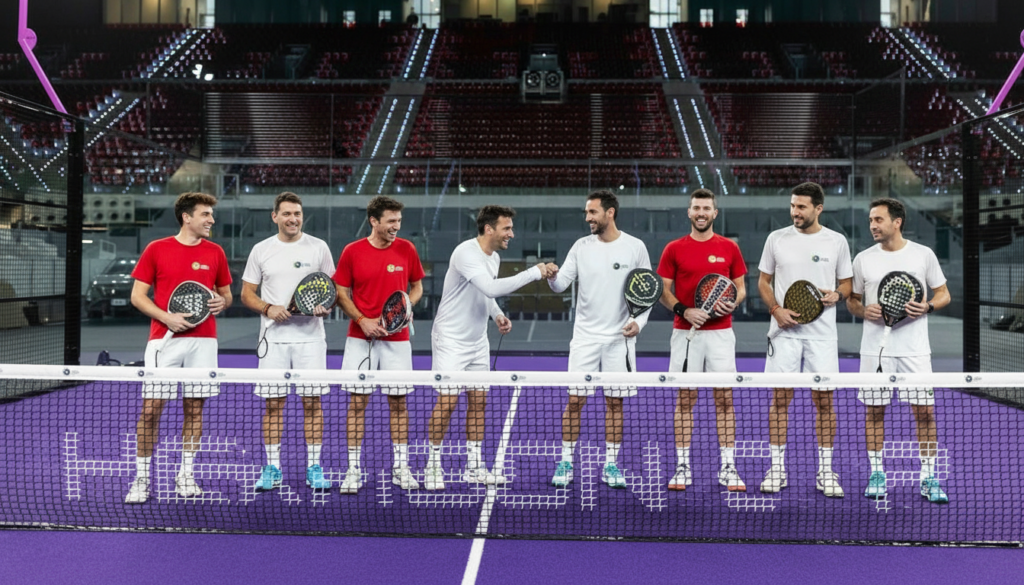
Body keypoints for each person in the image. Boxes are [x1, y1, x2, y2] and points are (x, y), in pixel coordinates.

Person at [424, 205, 554, 491]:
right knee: (447, 403)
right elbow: (493, 288)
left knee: (478, 402)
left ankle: (474, 467)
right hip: (450, 340)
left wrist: (496, 314)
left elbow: (487, 292)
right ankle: (432, 466)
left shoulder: (493, 257)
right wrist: (534, 272)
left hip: (477, 341)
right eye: (506, 228)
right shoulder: (466, 253)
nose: (512, 233)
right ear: (488, 229)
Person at [125, 192, 232, 504]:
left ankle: (185, 475)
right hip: (164, 341)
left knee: (194, 408)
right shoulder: (157, 249)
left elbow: (226, 295)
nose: (211, 220)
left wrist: (220, 302)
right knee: (150, 410)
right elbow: (138, 296)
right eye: (205, 215)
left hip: (204, 341)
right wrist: (166, 317)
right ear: (187, 217)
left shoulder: (215, 252)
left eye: (211, 215)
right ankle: (142, 478)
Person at [846, 198, 951, 503]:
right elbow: (851, 300)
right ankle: (877, 473)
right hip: (875, 351)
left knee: (926, 414)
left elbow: (943, 293)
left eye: (878, 220)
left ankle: (929, 477)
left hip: (914, 351)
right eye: (870, 220)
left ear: (897, 221)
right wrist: (864, 310)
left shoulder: (923, 255)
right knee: (875, 412)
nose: (872, 226)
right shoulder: (863, 258)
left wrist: (928, 305)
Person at [547, 190, 652, 490]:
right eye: (586, 213)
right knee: (575, 401)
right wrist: (552, 276)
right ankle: (566, 461)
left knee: (614, 403)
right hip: (585, 339)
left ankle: (611, 464)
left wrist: (639, 323)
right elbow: (561, 284)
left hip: (620, 340)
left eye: (592, 212)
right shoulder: (581, 246)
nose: (587, 218)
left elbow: (647, 292)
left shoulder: (635, 247)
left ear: (610, 213)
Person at [758, 182, 852, 498]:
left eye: (801, 207)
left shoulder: (837, 241)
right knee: (780, 400)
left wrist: (839, 294)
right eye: (793, 206)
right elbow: (764, 281)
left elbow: (847, 284)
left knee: (824, 401)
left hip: (822, 336)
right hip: (784, 334)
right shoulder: (777, 239)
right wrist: (775, 309)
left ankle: (826, 471)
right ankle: (777, 469)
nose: (795, 212)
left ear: (818, 209)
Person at [241, 192, 334, 493]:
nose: (293, 219)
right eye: (286, 214)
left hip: (310, 340)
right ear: (275, 216)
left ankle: (314, 467)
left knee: (312, 404)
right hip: (274, 341)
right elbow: (247, 294)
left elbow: (330, 291)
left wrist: (324, 307)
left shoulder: (319, 247)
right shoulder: (261, 250)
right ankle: (272, 469)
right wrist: (268, 308)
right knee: (273, 406)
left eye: (297, 213)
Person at [657, 189, 748, 492]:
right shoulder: (673, 249)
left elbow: (740, 288)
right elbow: (664, 291)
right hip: (685, 334)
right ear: (689, 212)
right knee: (685, 400)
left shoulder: (729, 248)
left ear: (714, 213)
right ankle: (682, 466)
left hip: (721, 335)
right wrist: (685, 310)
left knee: (724, 400)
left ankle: (728, 466)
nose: (701, 213)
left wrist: (733, 303)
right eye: (696, 207)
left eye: (706, 208)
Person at [334, 196, 425, 494]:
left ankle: (401, 467)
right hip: (360, 339)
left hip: (397, 341)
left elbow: (416, 286)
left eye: (398, 221)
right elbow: (341, 293)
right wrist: (362, 320)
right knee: (357, 404)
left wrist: (404, 310)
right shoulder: (352, 251)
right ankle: (353, 470)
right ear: (374, 221)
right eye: (390, 221)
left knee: (398, 403)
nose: (396, 226)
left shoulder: (407, 249)